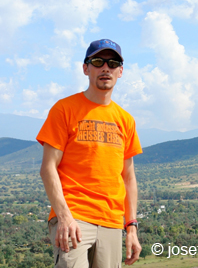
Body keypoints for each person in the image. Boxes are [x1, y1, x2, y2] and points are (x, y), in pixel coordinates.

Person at [38, 39, 143, 267]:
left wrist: (131, 227)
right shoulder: (64, 109)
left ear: (120, 71)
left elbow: (129, 178)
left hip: (112, 222)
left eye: (113, 63)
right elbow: (48, 168)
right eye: (98, 61)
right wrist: (64, 216)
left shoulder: (125, 120)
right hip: (74, 216)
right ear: (86, 68)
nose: (106, 67)